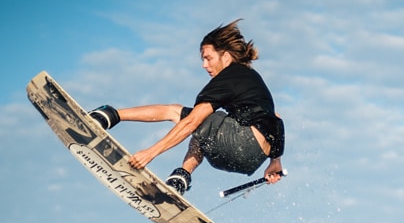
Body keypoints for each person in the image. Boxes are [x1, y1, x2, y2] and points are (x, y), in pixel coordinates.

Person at [88, 20, 285, 195]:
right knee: (206, 129)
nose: (204, 65)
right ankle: (181, 178)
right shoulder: (252, 80)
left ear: (225, 57)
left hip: (239, 143)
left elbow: (191, 122)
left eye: (208, 58)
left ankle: (109, 115)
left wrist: (150, 153)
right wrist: (275, 162)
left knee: (180, 113)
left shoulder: (229, 76)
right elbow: (276, 119)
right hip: (251, 161)